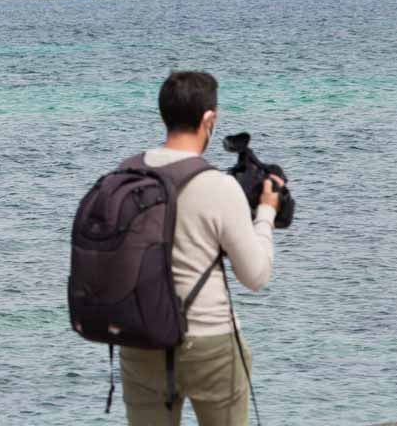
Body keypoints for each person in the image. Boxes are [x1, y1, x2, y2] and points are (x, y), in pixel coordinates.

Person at [119, 71, 283, 426]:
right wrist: (266, 212)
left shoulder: (127, 174)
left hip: (141, 339)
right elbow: (255, 276)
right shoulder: (217, 186)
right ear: (209, 119)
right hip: (210, 341)